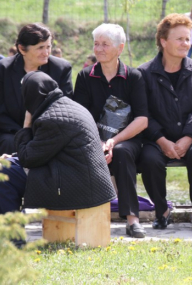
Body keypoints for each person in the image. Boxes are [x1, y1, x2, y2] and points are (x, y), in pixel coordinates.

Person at [0, 71, 116, 219]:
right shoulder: (66, 106)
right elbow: (44, 149)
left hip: (75, 185)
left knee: (2, 174)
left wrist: (27, 125)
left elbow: (28, 159)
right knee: (4, 164)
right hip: (77, 175)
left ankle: (14, 239)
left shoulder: (52, 119)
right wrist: (15, 156)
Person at [138, 13, 192, 233]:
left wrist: (188, 138)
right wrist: (161, 140)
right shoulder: (143, 73)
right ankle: (162, 211)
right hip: (156, 138)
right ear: (163, 41)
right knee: (149, 160)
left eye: (187, 39)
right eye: (179, 39)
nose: (185, 44)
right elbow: (144, 113)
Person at [74, 23, 148, 239]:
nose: (99, 49)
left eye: (105, 44)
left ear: (120, 48)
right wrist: (97, 142)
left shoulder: (134, 77)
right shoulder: (85, 76)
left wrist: (113, 141)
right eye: (96, 44)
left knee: (123, 153)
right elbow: (81, 116)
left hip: (126, 138)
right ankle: (87, 215)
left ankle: (132, 219)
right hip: (92, 138)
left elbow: (142, 120)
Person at [0, 23, 73, 157]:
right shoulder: (1, 69)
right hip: (11, 132)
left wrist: (39, 134)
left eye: (48, 46)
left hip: (49, 132)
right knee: (8, 142)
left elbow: (65, 108)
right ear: (22, 49)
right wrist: (24, 133)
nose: (46, 52)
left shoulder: (61, 69)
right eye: (40, 48)